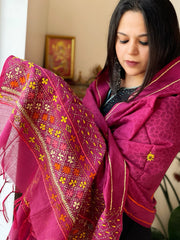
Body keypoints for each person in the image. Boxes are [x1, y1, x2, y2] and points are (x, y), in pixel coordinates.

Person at [0, 0, 180, 240]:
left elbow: (117, 174)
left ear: (165, 41)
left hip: (124, 228)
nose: (130, 51)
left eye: (144, 42)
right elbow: (82, 139)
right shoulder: (105, 84)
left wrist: (52, 93)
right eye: (123, 39)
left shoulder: (169, 104)